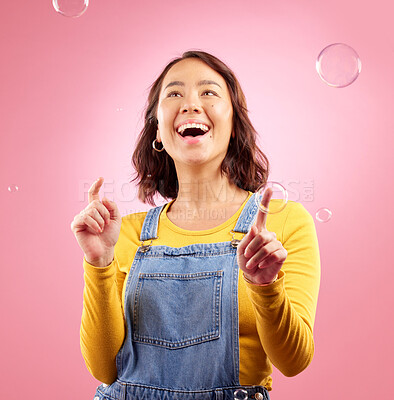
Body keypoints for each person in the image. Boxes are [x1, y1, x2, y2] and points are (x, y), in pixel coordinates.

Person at [71, 50, 321, 400]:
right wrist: (98, 264)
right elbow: (103, 369)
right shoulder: (124, 233)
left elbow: (294, 361)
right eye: (174, 94)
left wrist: (265, 287)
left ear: (234, 126)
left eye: (209, 92)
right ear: (158, 130)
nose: (190, 104)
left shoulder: (283, 222)